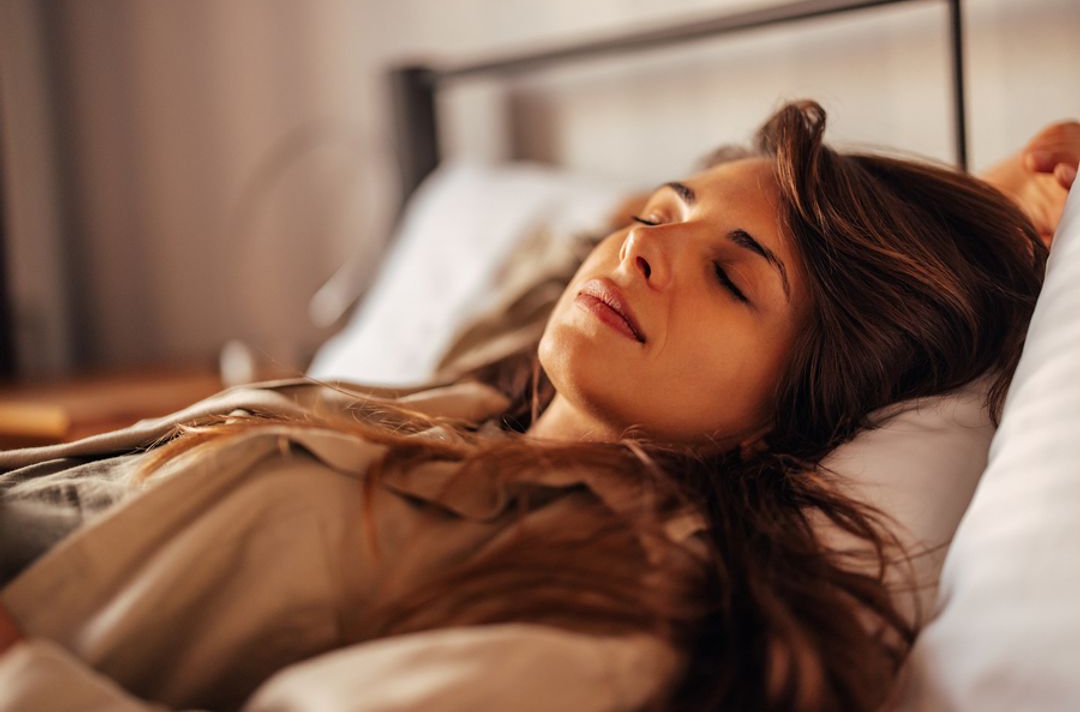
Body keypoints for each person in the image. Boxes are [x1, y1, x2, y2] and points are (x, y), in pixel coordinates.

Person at [0, 101, 1075, 712]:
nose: (647, 248)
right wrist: (969, 197)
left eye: (733, 279)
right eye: (664, 214)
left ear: (783, 416)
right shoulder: (461, 400)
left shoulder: (617, 594)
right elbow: (571, 251)